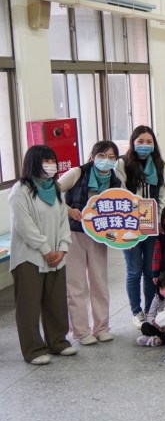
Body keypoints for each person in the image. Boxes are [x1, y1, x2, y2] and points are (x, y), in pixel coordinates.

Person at [9, 146, 75, 364]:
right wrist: (46, 250)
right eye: (46, 161)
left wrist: (62, 248)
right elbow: (24, 226)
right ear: (33, 163)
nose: (51, 165)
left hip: (56, 255)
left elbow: (63, 219)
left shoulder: (54, 188)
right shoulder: (20, 190)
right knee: (29, 305)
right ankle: (34, 350)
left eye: (53, 161)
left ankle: (58, 342)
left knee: (56, 302)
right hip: (30, 256)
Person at [59, 140, 124, 345]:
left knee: (99, 283)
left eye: (112, 157)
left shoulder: (115, 181)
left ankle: (101, 328)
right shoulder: (77, 173)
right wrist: (68, 210)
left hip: (98, 236)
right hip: (74, 234)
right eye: (102, 155)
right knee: (75, 284)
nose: (106, 160)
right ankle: (80, 332)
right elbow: (52, 192)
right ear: (92, 157)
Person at [115, 126, 165, 329]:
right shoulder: (122, 163)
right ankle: (136, 311)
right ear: (133, 142)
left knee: (149, 270)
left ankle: (149, 310)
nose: (145, 145)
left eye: (149, 142)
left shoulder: (159, 164)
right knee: (134, 270)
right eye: (140, 141)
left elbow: (163, 194)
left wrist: (160, 221)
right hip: (129, 225)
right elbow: (119, 193)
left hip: (151, 224)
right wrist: (123, 230)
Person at [136, 270, 165, 347]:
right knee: (145, 326)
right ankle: (159, 338)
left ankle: (158, 340)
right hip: (159, 326)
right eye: (162, 288)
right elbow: (150, 315)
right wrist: (155, 323)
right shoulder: (157, 298)